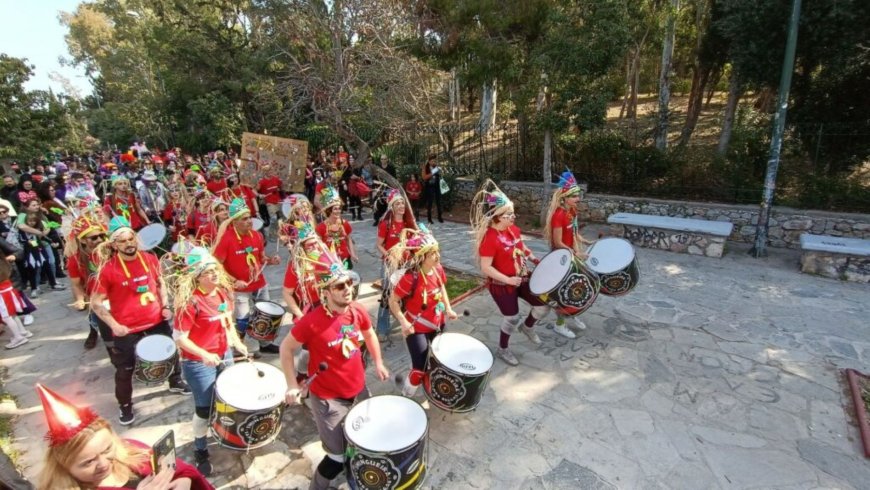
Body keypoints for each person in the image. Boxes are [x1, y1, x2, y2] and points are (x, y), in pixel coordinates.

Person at [278, 245, 389, 490]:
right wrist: (291, 384)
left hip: (359, 390)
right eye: (340, 286)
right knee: (336, 456)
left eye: (349, 283)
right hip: (329, 399)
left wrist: (378, 362)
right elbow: (285, 349)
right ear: (326, 291)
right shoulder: (312, 321)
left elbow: (369, 334)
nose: (348, 289)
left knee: (360, 440)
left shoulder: (357, 310)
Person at [90, 216, 191, 426]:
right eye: (123, 241)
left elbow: (160, 282)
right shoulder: (108, 269)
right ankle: (125, 406)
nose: (129, 244)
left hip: (155, 321)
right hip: (127, 329)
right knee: (124, 370)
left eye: (131, 239)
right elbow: (96, 303)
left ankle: (175, 381)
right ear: (114, 245)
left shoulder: (150, 258)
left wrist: (165, 306)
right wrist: (114, 325)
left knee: (171, 353)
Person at [35, 384, 213, 490]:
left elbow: (182, 472)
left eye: (107, 449)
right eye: (87, 462)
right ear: (64, 466)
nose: (104, 464)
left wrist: (184, 480)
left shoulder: (131, 448)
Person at [172, 248, 246, 476]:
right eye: (208, 271)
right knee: (204, 408)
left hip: (224, 354)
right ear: (197, 276)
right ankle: (200, 448)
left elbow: (226, 323)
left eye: (215, 269)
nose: (214, 274)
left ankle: (226, 433)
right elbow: (179, 337)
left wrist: (236, 342)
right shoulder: (191, 301)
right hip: (198, 362)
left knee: (227, 398)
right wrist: (203, 354)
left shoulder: (222, 294)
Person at [471, 180, 548, 366]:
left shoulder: (512, 230)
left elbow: (522, 247)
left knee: (544, 306)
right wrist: (508, 279)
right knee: (512, 317)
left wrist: (535, 259)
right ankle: (503, 349)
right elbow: (486, 267)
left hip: (522, 278)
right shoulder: (489, 238)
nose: (513, 217)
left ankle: (528, 327)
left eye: (513, 213)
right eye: (509, 214)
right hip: (502, 285)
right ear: (497, 217)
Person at [387, 226, 458, 397]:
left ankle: (432, 388)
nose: (438, 256)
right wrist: (403, 321)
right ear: (422, 256)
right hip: (416, 327)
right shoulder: (410, 278)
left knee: (438, 361)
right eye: (433, 253)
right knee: (419, 367)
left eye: (437, 251)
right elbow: (393, 301)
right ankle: (407, 393)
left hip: (438, 323)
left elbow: (441, 288)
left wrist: (448, 308)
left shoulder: (438, 269)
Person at [211, 198, 281, 355]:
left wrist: (271, 260)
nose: (250, 221)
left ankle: (265, 343)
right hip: (239, 288)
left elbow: (261, 259)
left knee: (265, 315)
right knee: (242, 320)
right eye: (245, 219)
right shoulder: (226, 239)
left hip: (259, 284)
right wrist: (235, 281)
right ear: (234, 222)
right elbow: (216, 265)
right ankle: (238, 348)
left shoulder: (256, 235)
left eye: (249, 217)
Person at [544, 170, 592, 338]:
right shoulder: (558, 215)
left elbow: (574, 233)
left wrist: (584, 241)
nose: (577, 199)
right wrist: (576, 254)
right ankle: (560, 324)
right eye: (574, 196)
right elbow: (558, 243)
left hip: (571, 256)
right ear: (564, 198)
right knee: (563, 293)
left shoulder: (572, 211)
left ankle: (572, 314)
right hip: (561, 259)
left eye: (578, 195)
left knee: (576, 289)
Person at [374, 189, 417, 342]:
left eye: (402, 203)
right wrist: (389, 255)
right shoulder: (386, 224)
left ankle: (406, 321)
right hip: (389, 265)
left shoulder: (408, 224)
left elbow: (413, 244)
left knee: (405, 294)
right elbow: (379, 245)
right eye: (398, 203)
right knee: (386, 296)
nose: (401, 206)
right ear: (392, 206)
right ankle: (382, 329)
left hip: (405, 265)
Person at [66, 211, 109, 350]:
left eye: (102, 235)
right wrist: (79, 299)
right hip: (94, 297)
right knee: (95, 318)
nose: (100, 240)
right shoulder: (75, 260)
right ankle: (93, 332)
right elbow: (76, 284)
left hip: (116, 293)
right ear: (83, 240)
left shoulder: (111, 252)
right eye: (94, 237)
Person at [0, 230, 33, 349]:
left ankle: (18, 337)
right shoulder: (3, 263)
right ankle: (22, 332)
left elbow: (17, 251)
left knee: (6, 316)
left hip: (3, 291)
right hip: (7, 287)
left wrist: (13, 257)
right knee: (12, 314)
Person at [315, 185, 358, 270]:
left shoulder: (345, 223)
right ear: (329, 211)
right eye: (335, 209)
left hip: (345, 259)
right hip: (330, 261)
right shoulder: (320, 227)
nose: (338, 211)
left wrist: (352, 254)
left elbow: (348, 239)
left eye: (339, 209)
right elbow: (318, 245)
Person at [421, 154, 443, 224]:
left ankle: (440, 217)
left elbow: (439, 175)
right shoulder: (425, 167)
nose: (434, 162)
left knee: (439, 202)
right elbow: (424, 177)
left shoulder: (436, 166)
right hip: (429, 186)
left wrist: (440, 171)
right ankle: (429, 219)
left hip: (436, 185)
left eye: (434, 161)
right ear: (429, 161)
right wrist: (433, 173)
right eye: (432, 161)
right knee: (430, 203)